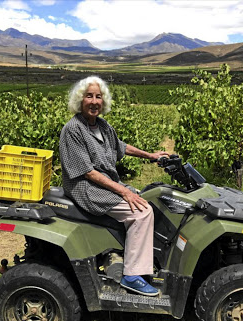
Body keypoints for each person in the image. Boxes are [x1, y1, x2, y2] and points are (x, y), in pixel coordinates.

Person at [59, 76, 169, 296]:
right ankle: (132, 276)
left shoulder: (101, 125)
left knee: (150, 198)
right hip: (85, 188)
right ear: (80, 100)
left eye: (98, 97)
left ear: (104, 101)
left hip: (104, 184)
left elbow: (121, 147)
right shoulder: (73, 129)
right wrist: (124, 191)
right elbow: (88, 172)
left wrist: (150, 155)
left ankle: (138, 259)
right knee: (142, 212)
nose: (94, 101)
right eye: (89, 96)